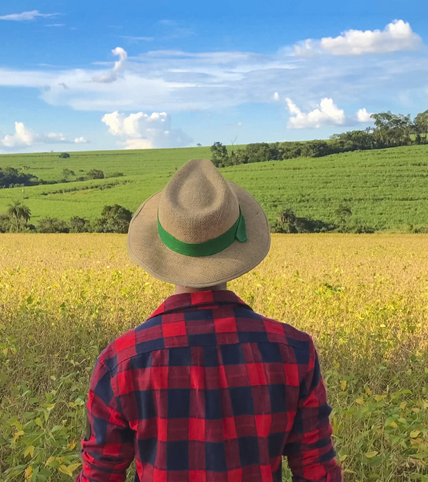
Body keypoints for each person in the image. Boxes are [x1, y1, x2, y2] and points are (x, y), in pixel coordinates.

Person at [76, 159, 343, 482]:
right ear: (238, 242)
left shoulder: (121, 362)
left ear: (162, 246)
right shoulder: (294, 351)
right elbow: (317, 470)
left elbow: (100, 474)